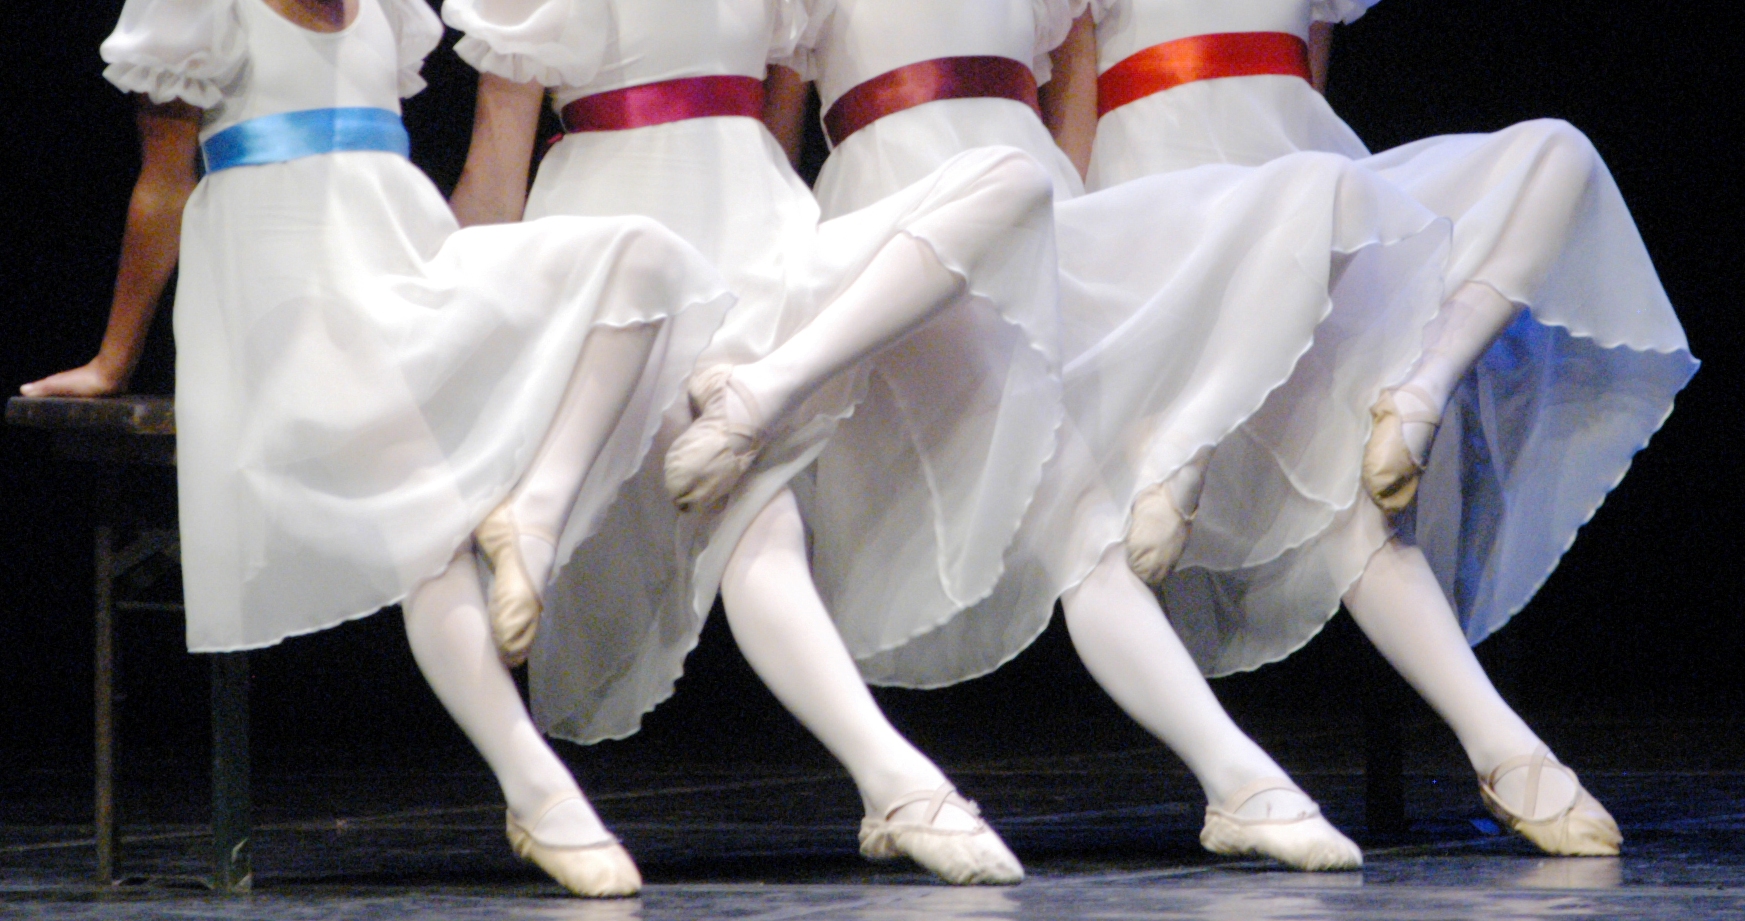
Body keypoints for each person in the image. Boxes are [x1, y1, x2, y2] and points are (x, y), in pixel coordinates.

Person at [45, 0, 737, 896]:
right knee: (426, 521)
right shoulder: (200, 12)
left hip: (404, 268)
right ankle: (537, 791)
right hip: (285, 295)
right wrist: (114, 359)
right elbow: (163, 187)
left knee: (641, 258)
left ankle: (532, 513)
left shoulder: (386, 13)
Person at [768, 0, 1453, 870]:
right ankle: (1233, 778)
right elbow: (778, 130)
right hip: (897, 211)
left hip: (1040, 207)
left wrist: (1079, 224)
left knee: (1084, 515)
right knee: (1076, 513)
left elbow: (1073, 98)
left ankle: (1236, 778)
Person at [444, 0, 1067, 884]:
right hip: (623, 259)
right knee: (759, 522)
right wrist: (460, 343)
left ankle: (766, 388)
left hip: (760, 240)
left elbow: (778, 129)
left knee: (1009, 179)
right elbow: (493, 175)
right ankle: (897, 782)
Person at [1084, 0, 1697, 856]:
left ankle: (1418, 388)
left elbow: (1305, 93)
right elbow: (1068, 130)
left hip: (1313, 204)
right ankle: (1503, 747)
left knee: (1555, 153)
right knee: (1348, 507)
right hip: (1167, 222)